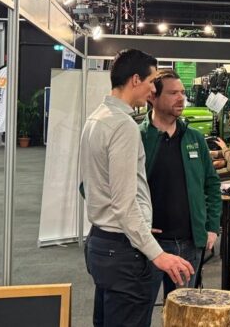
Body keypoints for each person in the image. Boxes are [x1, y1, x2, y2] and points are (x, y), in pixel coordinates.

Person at [81, 49, 194, 327]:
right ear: (135, 79)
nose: (153, 89)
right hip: (123, 252)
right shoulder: (123, 126)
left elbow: (95, 188)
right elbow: (123, 203)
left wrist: (140, 224)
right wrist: (159, 254)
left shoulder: (96, 118)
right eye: (152, 80)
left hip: (102, 243)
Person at [140, 70, 222, 301]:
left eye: (183, 93)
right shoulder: (137, 137)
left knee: (182, 314)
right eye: (173, 93)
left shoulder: (194, 138)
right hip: (149, 245)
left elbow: (212, 184)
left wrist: (212, 227)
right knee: (139, 313)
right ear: (152, 97)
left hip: (189, 244)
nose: (181, 98)